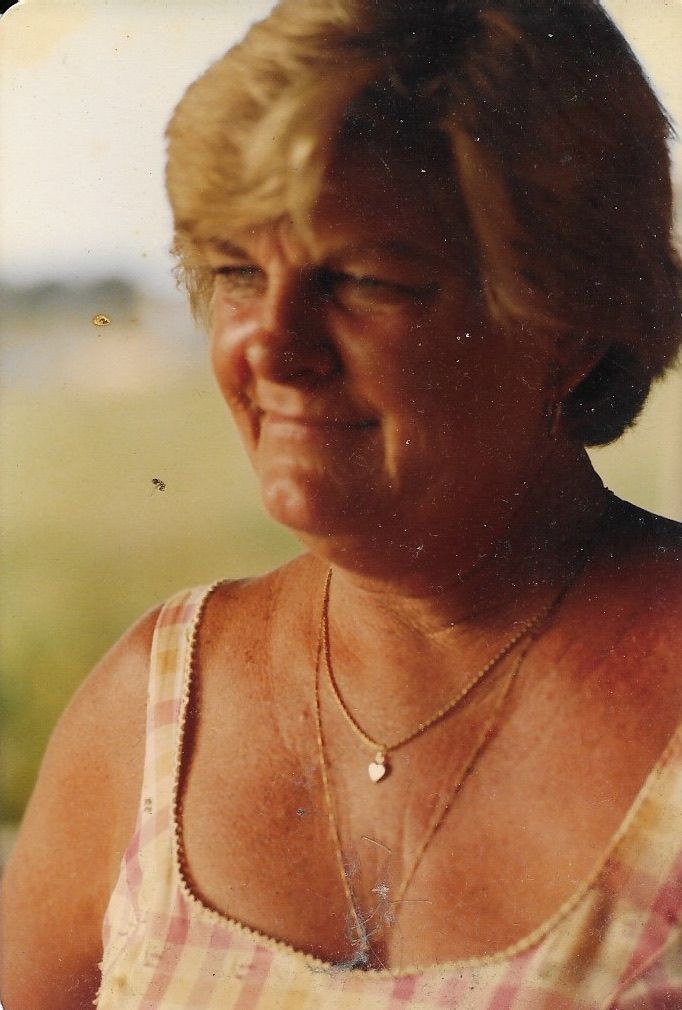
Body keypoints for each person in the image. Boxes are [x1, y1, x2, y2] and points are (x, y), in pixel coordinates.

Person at [1, 1, 681, 1007]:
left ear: (569, 324)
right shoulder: (148, 707)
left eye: (363, 279)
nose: (272, 344)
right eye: (236, 270)